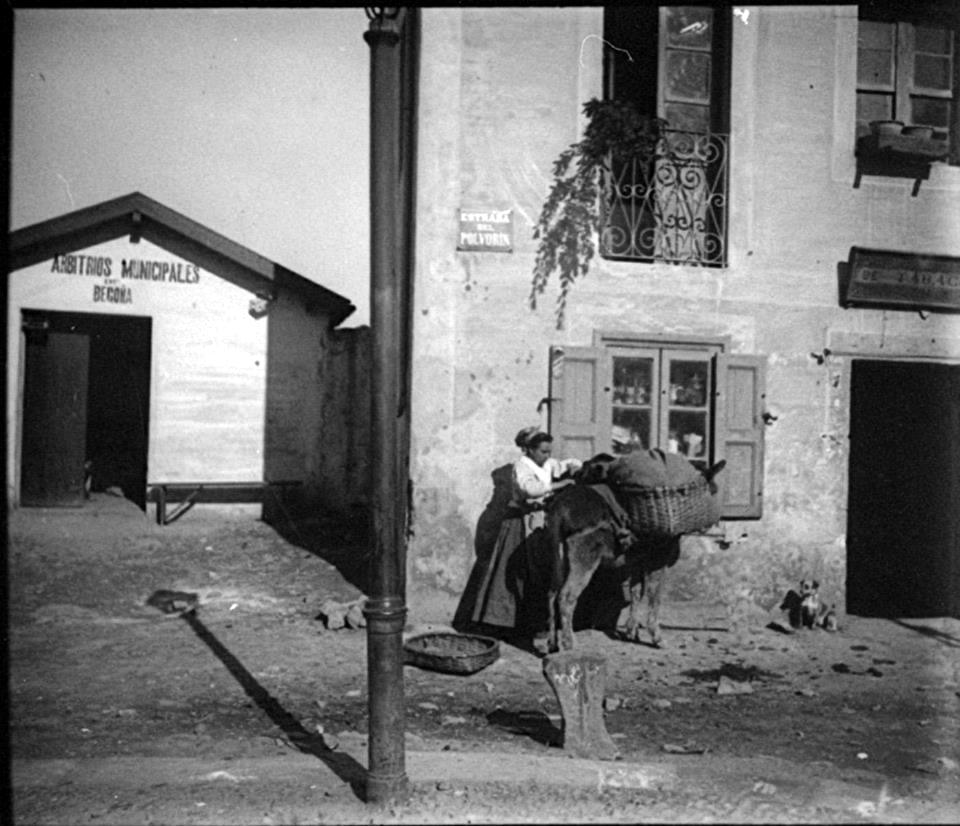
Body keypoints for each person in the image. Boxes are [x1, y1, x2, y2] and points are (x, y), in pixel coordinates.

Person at [470, 426, 581, 643]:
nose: (547, 456)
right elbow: (530, 490)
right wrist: (560, 484)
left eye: (549, 451)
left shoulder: (547, 463)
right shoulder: (520, 467)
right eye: (542, 451)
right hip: (520, 522)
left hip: (540, 520)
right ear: (529, 450)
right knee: (516, 571)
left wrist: (574, 467)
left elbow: (566, 463)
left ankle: (534, 624)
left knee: (539, 572)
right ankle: (505, 624)